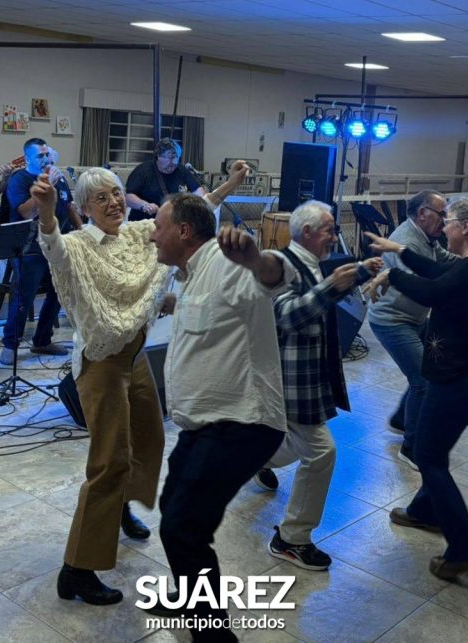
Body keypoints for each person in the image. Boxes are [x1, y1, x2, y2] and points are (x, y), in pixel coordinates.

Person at [33, 161, 251, 607]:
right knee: (109, 463)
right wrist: (48, 213)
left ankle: (119, 508)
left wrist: (230, 183)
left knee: (150, 440)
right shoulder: (78, 244)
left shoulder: (138, 233)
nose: (113, 202)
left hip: (134, 359)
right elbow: (52, 247)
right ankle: (76, 569)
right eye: (100, 198)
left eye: (115, 192)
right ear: (85, 208)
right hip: (100, 364)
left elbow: (193, 215)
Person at [150, 192, 294, 641]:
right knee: (174, 513)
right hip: (203, 425)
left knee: (183, 527)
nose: (153, 233)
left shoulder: (229, 262)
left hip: (242, 423)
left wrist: (256, 260)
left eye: (159, 225)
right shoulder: (189, 274)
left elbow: (274, 275)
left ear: (184, 231)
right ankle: (193, 601)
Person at [364, 196, 468, 580]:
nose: (444, 225)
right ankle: (423, 511)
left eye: (450, 220)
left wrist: (392, 273)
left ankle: (465, 548)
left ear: (466, 228)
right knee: (434, 449)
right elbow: (436, 274)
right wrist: (399, 251)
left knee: (428, 456)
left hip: (462, 378)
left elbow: (432, 292)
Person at [253, 200, 381, 571]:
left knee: (295, 442)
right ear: (306, 233)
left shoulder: (307, 263)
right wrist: (331, 285)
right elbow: (288, 315)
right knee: (321, 452)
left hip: (304, 381)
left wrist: (357, 273)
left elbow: (319, 295)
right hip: (289, 382)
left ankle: (252, 458)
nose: (334, 235)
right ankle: (291, 538)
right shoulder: (280, 266)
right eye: (329, 229)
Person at [366, 190, 456, 468]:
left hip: (414, 319)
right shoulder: (406, 241)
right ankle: (411, 446)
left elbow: (443, 261)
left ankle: (401, 419)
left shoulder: (427, 237)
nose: (445, 219)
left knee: (431, 368)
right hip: (392, 320)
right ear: (422, 213)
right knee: (423, 379)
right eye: (442, 214)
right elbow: (426, 285)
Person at [0, 138, 78, 364]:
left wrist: (82, 230)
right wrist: (45, 188)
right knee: (24, 296)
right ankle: (10, 344)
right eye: (41, 156)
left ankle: (42, 340)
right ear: (28, 159)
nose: (46, 159)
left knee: (60, 291)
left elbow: (68, 205)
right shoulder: (19, 179)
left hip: (57, 244)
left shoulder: (57, 176)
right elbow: (24, 212)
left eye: (47, 154)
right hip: (29, 249)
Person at [124, 138, 206, 221]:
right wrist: (145, 205)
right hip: (146, 221)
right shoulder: (142, 171)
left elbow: (198, 190)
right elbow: (129, 197)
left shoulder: (182, 170)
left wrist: (202, 204)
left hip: (173, 221)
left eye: (176, 158)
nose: (174, 162)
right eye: (170, 157)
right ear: (158, 156)